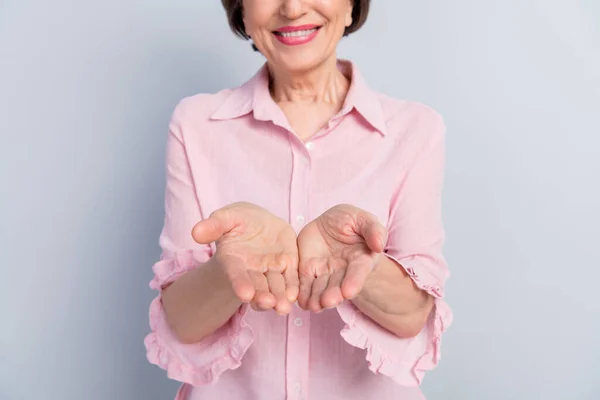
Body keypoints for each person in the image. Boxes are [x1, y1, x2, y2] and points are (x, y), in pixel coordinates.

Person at [144, 0, 453, 399]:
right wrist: (228, 268)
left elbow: (413, 317)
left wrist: (364, 267)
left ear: (350, 6)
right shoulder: (196, 125)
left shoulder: (415, 131)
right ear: (240, 9)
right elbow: (182, 322)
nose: (291, 8)